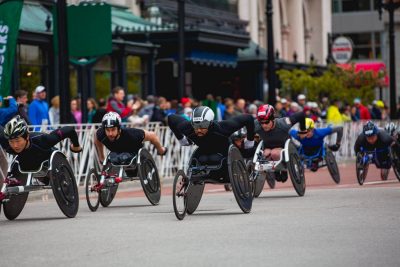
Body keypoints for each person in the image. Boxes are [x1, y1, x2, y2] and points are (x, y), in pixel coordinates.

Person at [168, 106, 255, 169]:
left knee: (216, 159)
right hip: (203, 152)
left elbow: (248, 118)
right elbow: (171, 118)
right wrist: (181, 139)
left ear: (210, 123)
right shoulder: (187, 127)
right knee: (199, 160)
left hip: (223, 154)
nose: (199, 130)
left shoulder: (222, 128)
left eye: (203, 125)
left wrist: (250, 140)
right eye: (195, 125)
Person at [0, 115, 82, 175]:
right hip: (26, 163)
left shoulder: (43, 140)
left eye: (17, 141)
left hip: (48, 159)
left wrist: (76, 146)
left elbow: (69, 129)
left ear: (27, 136)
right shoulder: (6, 142)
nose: (15, 145)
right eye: (11, 141)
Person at [95, 112, 167, 170]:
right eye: (107, 130)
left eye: (113, 129)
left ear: (119, 128)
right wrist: (101, 156)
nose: (110, 133)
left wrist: (160, 149)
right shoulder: (101, 134)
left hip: (133, 152)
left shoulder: (131, 134)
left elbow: (153, 136)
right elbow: (97, 140)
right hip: (116, 154)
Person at [254, 104, 306, 182]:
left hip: (284, 147)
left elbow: (301, 115)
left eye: (267, 122)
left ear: (272, 119)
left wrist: (303, 130)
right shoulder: (256, 125)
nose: (264, 125)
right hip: (268, 147)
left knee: (275, 153)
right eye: (261, 123)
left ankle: (284, 170)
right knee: (266, 153)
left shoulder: (283, 123)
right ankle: (276, 170)